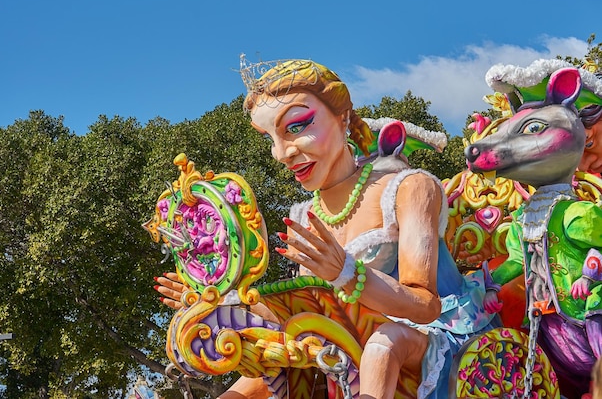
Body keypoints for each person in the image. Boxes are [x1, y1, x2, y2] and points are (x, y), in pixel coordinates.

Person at [156, 57, 498, 398]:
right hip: (344, 350)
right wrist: (215, 299)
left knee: (382, 348)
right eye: (269, 138)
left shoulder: (408, 188)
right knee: (257, 379)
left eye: (295, 127)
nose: (280, 154)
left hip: (433, 341)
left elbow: (425, 306)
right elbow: (305, 313)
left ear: (343, 117)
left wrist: (347, 272)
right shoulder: (303, 216)